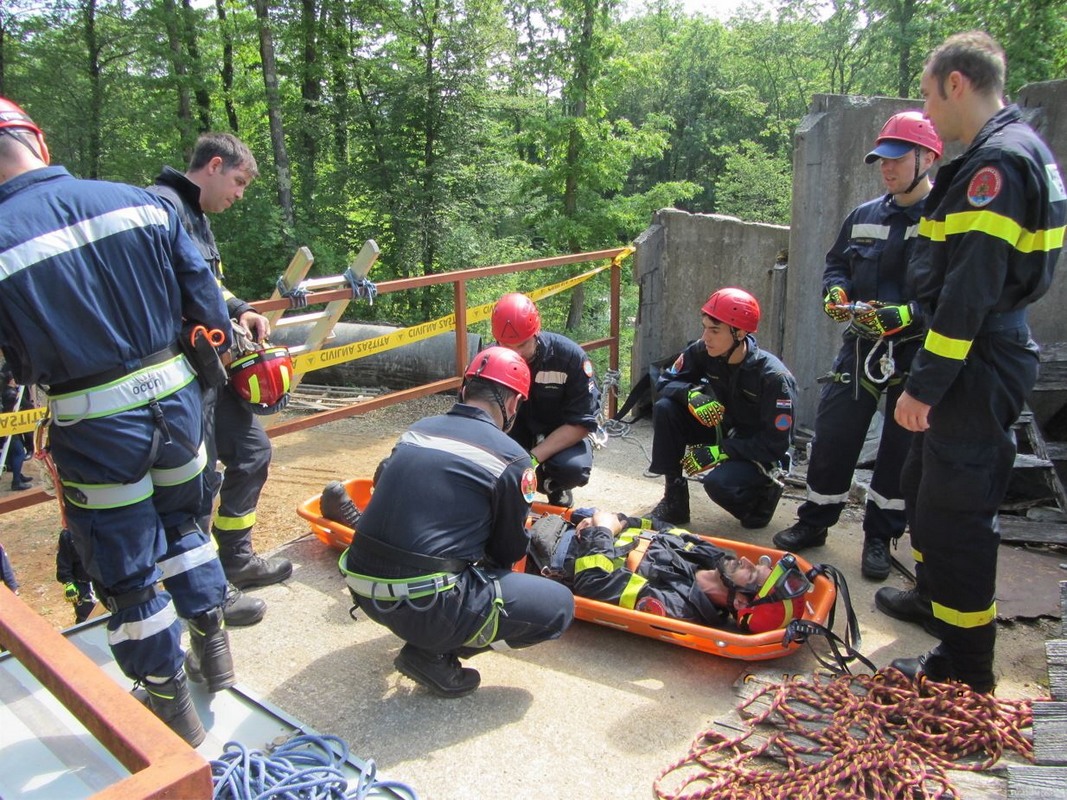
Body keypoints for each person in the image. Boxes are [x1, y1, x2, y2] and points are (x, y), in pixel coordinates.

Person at [0, 96, 235, 744]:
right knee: (185, 526)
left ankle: (169, 703)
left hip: (95, 426)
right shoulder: (144, 203)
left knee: (127, 567)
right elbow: (209, 314)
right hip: (179, 406)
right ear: (37, 141)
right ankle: (213, 645)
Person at [883, 32, 1065, 693]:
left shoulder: (997, 166)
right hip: (971, 350)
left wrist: (925, 385)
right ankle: (934, 601)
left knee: (954, 513)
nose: (927, 114)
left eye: (929, 97)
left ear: (956, 84)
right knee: (923, 485)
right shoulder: (1010, 153)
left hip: (974, 356)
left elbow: (969, 291)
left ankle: (963, 667)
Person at [339, 347, 575, 698]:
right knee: (558, 608)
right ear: (512, 404)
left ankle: (431, 636)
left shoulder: (417, 430)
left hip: (361, 586)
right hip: (424, 604)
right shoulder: (512, 460)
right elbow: (506, 553)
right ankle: (433, 653)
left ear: (465, 389)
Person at [772, 112, 944, 581]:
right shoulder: (864, 216)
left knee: (900, 448)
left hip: (915, 353)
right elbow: (836, 265)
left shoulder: (944, 220)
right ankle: (815, 521)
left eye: (896, 158)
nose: (886, 168)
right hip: (861, 345)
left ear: (927, 157)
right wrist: (835, 293)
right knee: (834, 436)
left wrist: (909, 315)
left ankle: (879, 536)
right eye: (880, 160)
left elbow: (957, 295)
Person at [148, 133, 291, 628]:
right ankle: (208, 592)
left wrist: (241, 310)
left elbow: (207, 282)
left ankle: (236, 558)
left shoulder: (197, 215)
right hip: (184, 377)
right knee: (199, 484)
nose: (239, 194)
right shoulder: (162, 210)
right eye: (238, 182)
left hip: (214, 370)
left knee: (253, 453)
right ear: (213, 166)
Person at [647, 287, 797, 530]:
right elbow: (664, 381)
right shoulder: (703, 351)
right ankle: (674, 499)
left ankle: (763, 497)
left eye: (715, 330)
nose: (706, 337)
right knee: (666, 408)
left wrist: (720, 452)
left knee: (720, 486)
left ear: (739, 333)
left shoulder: (773, 377)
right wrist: (691, 396)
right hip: (723, 428)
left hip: (756, 450)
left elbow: (776, 444)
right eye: (705, 327)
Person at [526, 509, 809, 633]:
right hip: (566, 528)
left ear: (740, 601)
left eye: (752, 574)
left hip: (543, 556)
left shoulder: (674, 606)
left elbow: (594, 583)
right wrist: (619, 522)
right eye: (756, 564)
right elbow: (662, 528)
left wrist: (602, 531)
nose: (746, 561)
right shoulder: (714, 556)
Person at [490, 292, 600, 507]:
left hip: (559, 428)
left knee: (573, 469)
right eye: (506, 346)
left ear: (535, 333)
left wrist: (531, 459)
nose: (516, 354)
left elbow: (581, 423)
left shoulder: (569, 357)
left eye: (522, 346)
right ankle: (509, 491)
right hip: (514, 428)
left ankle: (553, 486)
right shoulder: (488, 362)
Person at [2, 363, 33, 490]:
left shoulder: (5, 391)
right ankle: (16, 482)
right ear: (11, 380)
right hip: (8, 428)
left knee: (14, 452)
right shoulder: (11, 393)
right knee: (19, 452)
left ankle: (18, 475)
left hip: (9, 428)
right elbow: (27, 406)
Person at [56, 528, 96, 623]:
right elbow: (64, 562)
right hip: (83, 585)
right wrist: (68, 583)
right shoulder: (68, 535)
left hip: (105, 583)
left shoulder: (102, 527)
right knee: (86, 619)